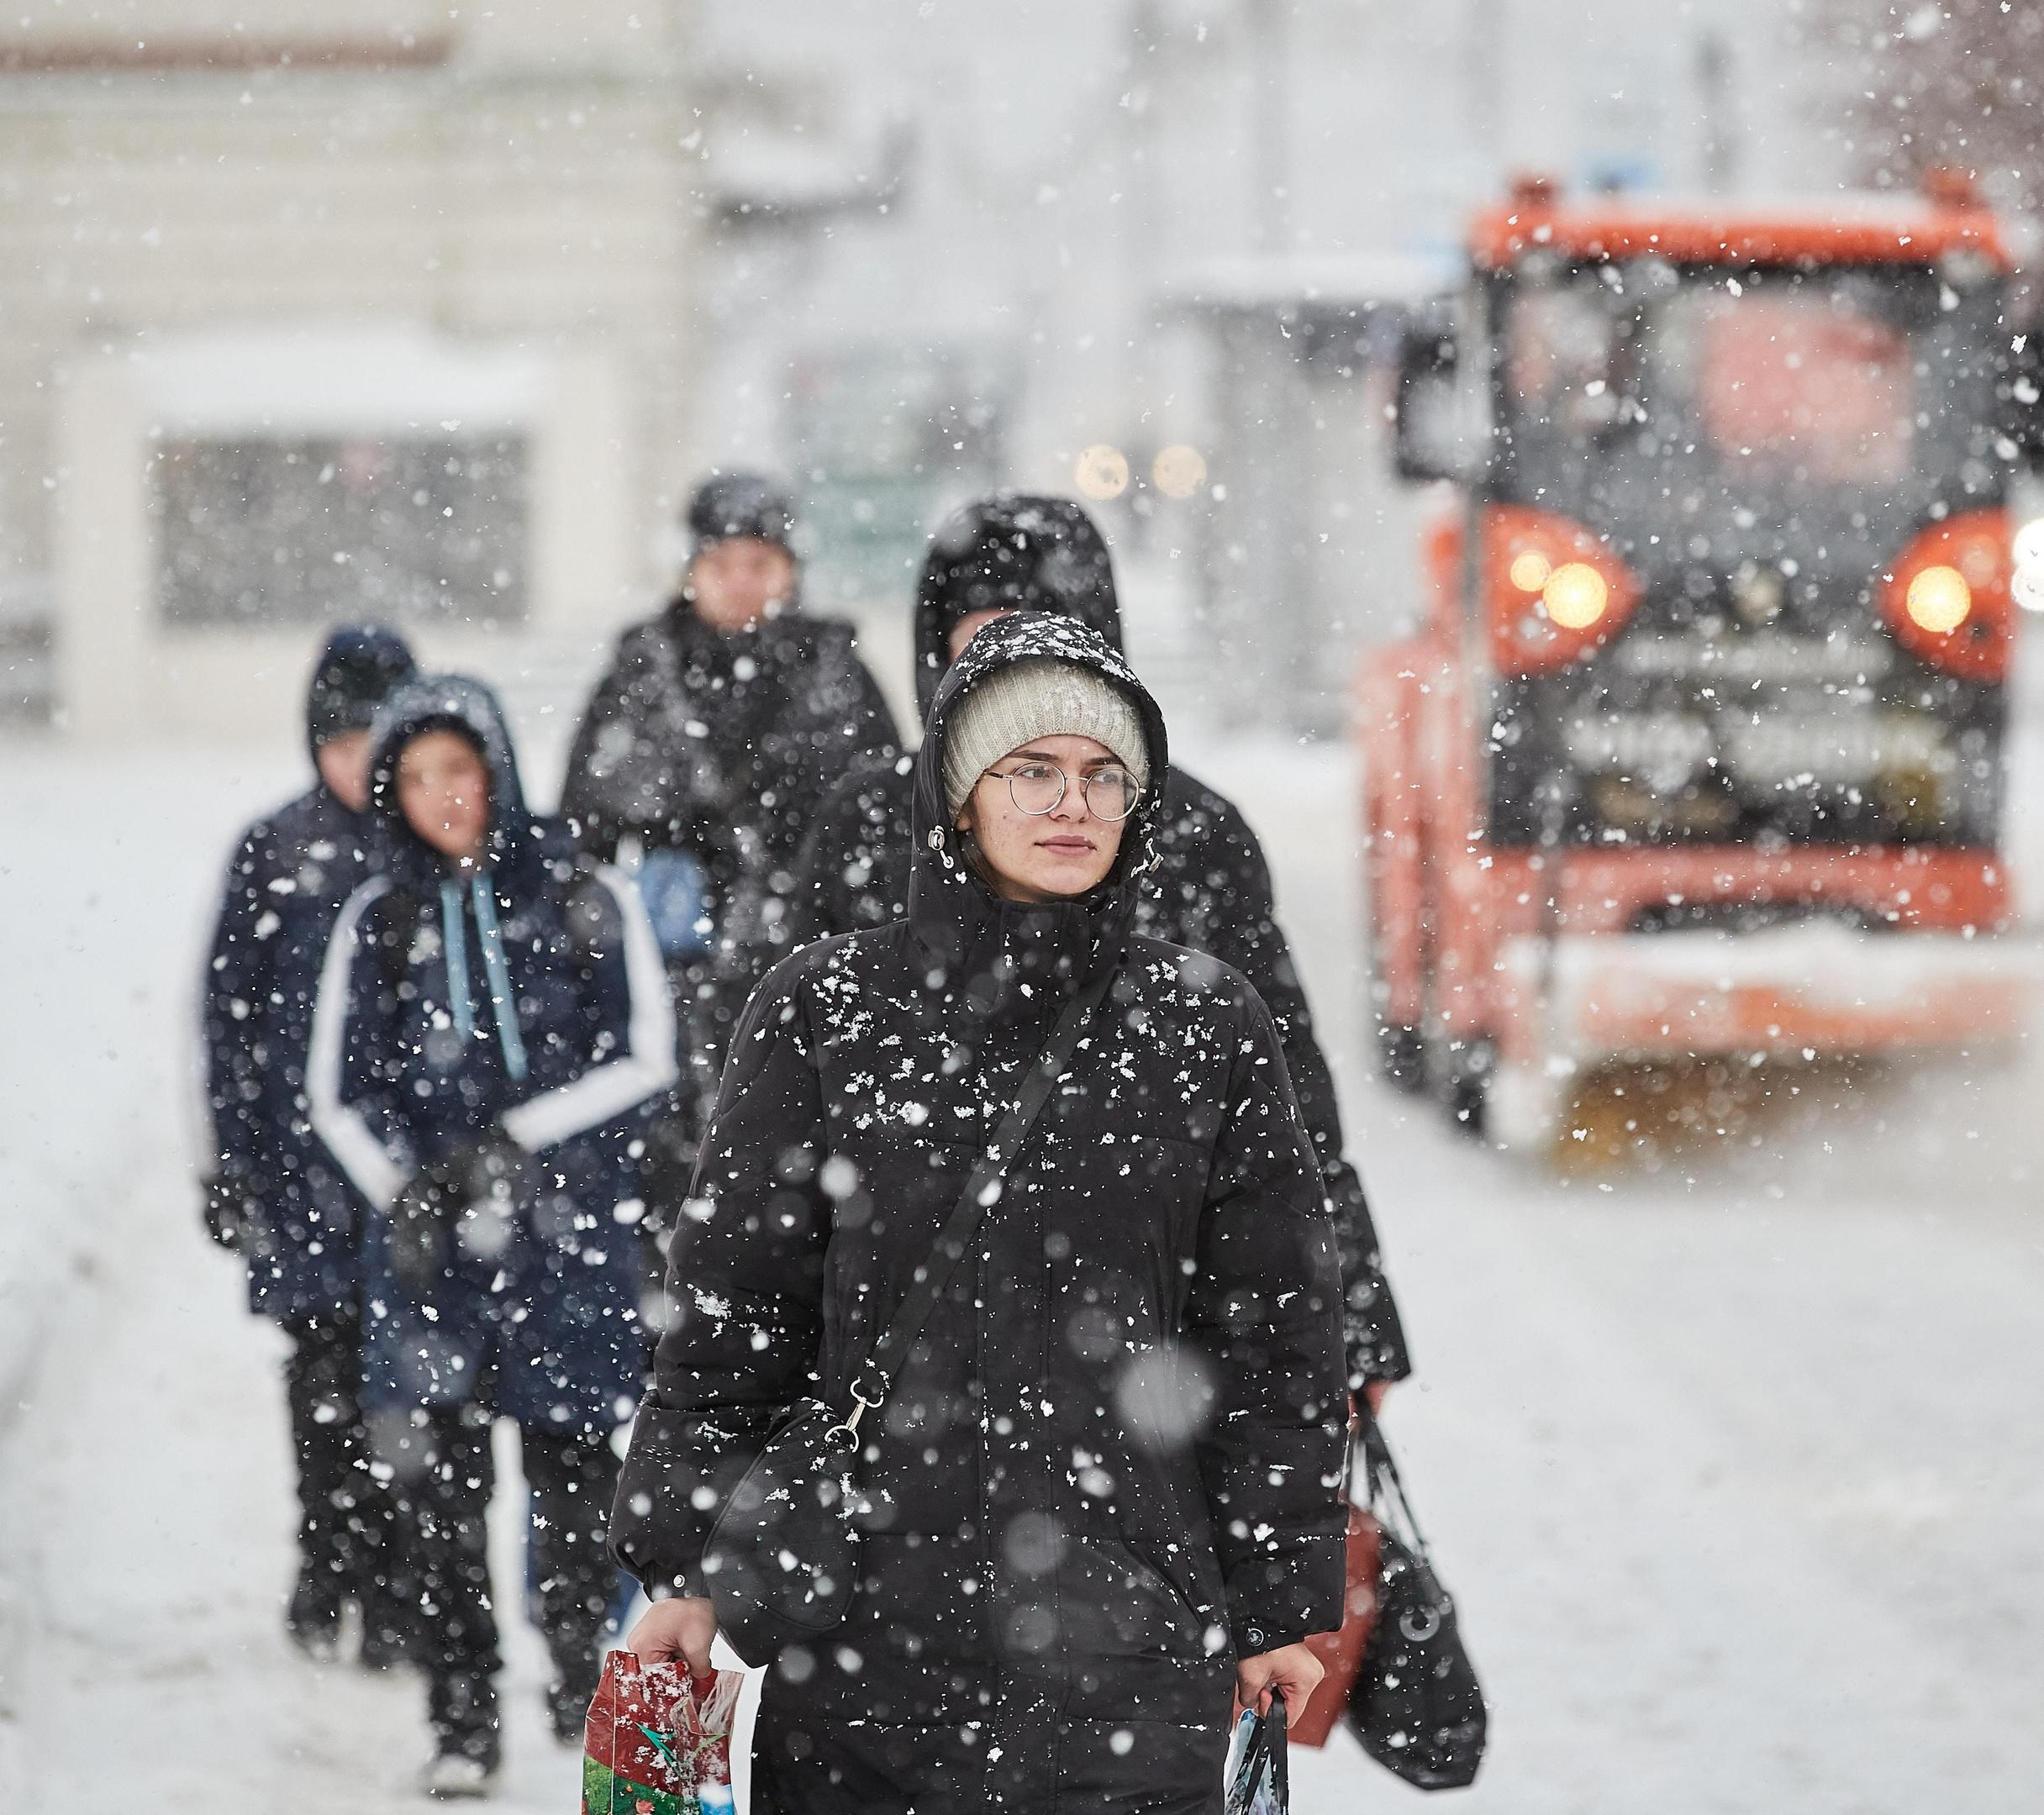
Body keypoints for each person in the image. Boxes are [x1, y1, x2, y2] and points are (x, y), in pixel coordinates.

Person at [614, 612, 1348, 1814]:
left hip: (1133, 1648)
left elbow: (1274, 1343)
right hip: (857, 1640)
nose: (1075, 803)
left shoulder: (1206, 1030)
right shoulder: (828, 1010)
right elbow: (736, 1310)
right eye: (1033, 770)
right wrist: (691, 1564)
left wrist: (1275, 1603)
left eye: (1105, 776)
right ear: (958, 798)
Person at [746, 494, 1415, 1399]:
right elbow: (785, 1096)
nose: (1007, 663)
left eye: (1040, 630)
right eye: (979, 633)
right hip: (906, 1337)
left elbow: (1282, 1093)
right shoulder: (867, 828)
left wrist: (1348, 1313)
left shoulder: (1190, 829)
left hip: (1153, 1320)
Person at [308, 672, 676, 1795]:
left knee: (574, 1486)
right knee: (441, 1506)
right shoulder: (378, 919)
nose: (440, 798)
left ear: (497, 769)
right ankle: (462, 1722)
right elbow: (335, 1090)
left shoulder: (582, 894)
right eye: (414, 778)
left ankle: (576, 1682)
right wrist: (404, 1187)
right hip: (430, 1262)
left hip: (567, 1244)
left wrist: (515, 1144)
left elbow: (647, 1055)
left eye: (457, 771)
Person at [561, 472, 900, 1245]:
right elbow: (581, 838)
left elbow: (886, 830)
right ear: (690, 570)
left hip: (806, 982)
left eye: (762, 565)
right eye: (723, 564)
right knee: (669, 1201)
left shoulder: (837, 676)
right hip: (666, 994)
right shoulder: (641, 675)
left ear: (791, 573)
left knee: (800, 1196)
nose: (742, 584)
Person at [199, 622, 419, 1665]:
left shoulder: (434, 846)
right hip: (298, 1176)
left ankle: (403, 1586)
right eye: (342, 740)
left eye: (380, 739)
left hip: (410, 1182)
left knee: (412, 1391)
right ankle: (327, 1559)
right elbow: (224, 1018)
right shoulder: (275, 849)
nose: (360, 762)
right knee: (323, 1379)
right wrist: (224, 1166)